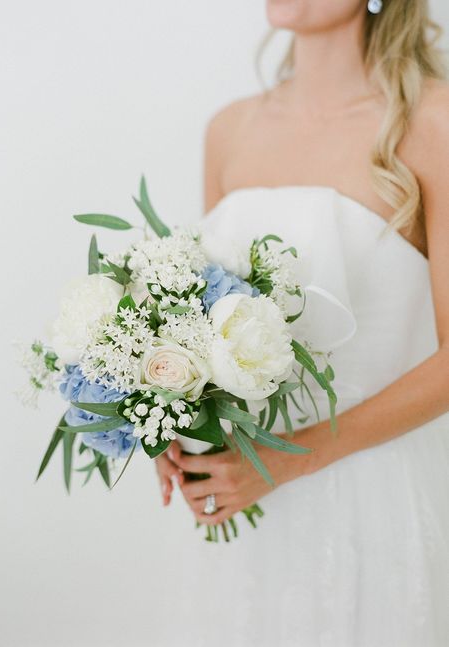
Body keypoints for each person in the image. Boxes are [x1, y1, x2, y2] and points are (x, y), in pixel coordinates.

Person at [155, 1, 449, 644]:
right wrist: (169, 417)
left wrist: (288, 462)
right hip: (236, 507)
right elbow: (203, 316)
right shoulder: (228, 130)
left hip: (367, 500)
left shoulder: (433, 123)